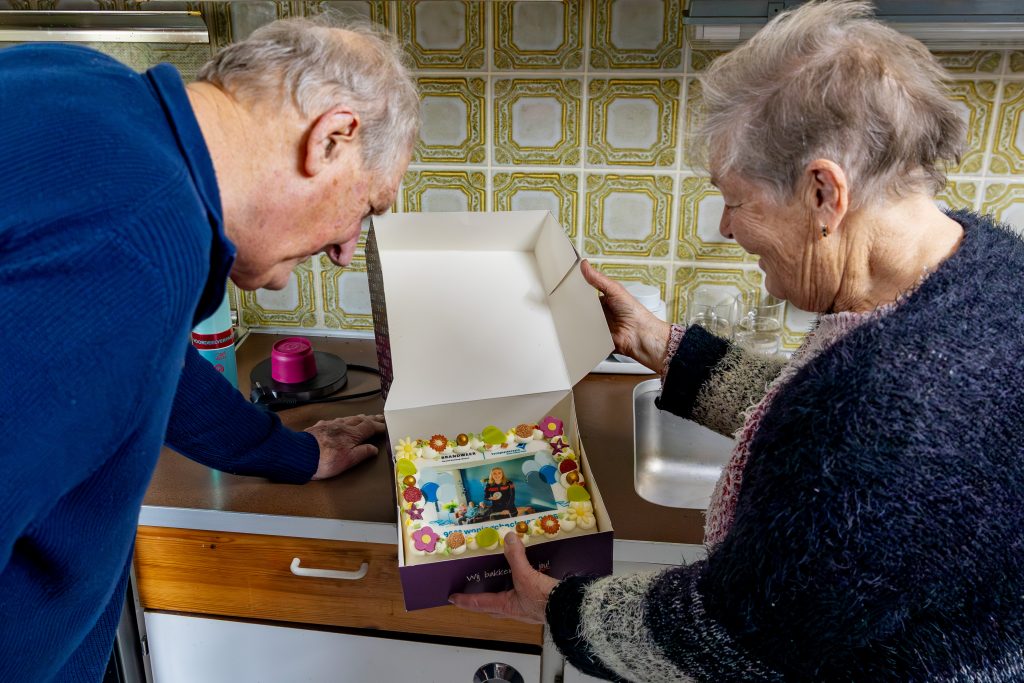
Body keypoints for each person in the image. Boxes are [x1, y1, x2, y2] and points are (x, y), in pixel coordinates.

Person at [451, 2, 1024, 680]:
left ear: (823, 193)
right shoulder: (984, 270)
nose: (726, 228)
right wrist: (660, 344)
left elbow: (740, 635)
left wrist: (554, 607)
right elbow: (812, 415)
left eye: (736, 199)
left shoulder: (895, 403)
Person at [0, 15, 418, 682]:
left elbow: (149, 357)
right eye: (367, 208)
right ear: (331, 138)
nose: (346, 251)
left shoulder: (83, 81)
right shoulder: (141, 238)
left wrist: (290, 452)